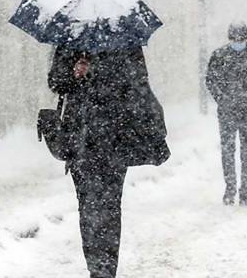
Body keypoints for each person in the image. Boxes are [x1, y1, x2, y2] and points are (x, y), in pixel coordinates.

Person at [48, 44, 169, 278]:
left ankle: (106, 270)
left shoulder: (125, 43)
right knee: (87, 206)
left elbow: (138, 83)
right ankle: (96, 268)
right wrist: (73, 74)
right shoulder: (70, 43)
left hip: (115, 139)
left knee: (110, 207)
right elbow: (55, 82)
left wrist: (101, 74)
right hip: (79, 140)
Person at [206, 22, 247, 206]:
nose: (237, 42)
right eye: (234, 39)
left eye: (241, 39)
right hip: (227, 111)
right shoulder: (219, 56)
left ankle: (245, 192)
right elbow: (210, 80)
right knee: (228, 151)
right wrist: (221, 98)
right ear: (229, 39)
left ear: (246, 39)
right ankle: (230, 188)